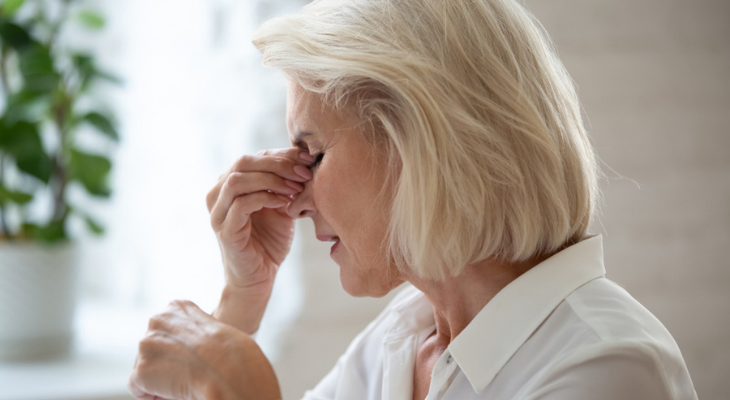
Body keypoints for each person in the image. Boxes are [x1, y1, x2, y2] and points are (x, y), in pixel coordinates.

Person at [128, 0, 698, 399]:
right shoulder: (403, 336)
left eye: (315, 154)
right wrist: (241, 306)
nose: (294, 199)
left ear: (419, 148)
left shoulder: (609, 369)